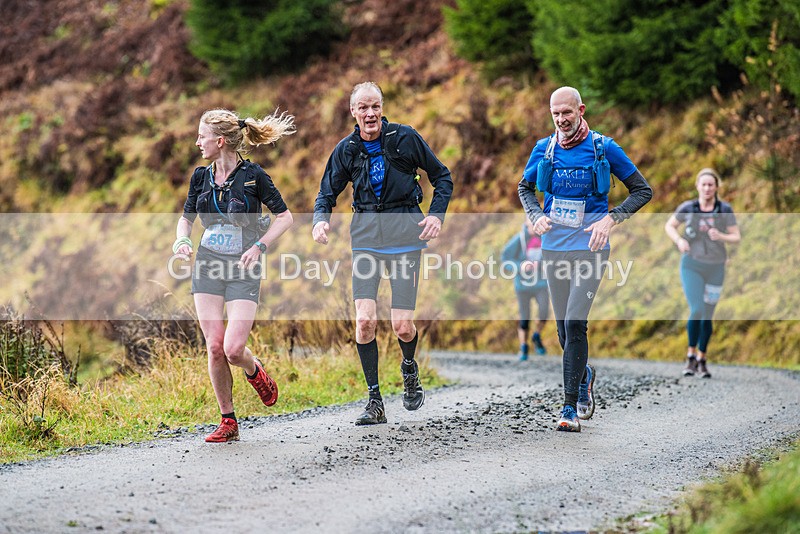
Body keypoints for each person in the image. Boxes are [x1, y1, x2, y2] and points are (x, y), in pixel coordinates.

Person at [312, 81, 453, 425]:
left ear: (382, 108)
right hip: (366, 240)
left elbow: (442, 177)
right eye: (363, 107)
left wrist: (436, 216)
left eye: (375, 106)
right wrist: (320, 221)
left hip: (405, 238)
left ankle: (409, 367)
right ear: (353, 112)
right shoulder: (346, 149)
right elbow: (326, 193)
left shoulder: (405, 138)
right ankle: (374, 400)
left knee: (402, 326)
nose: (370, 113)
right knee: (364, 322)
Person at [518, 86, 653, 432]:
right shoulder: (544, 149)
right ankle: (584, 375)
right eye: (555, 114)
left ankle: (569, 409)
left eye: (567, 112)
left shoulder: (603, 147)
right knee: (563, 329)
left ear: (581, 110)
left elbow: (642, 190)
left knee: (576, 322)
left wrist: (610, 220)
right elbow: (524, 188)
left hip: (591, 248)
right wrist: (535, 216)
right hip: (554, 248)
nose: (561, 120)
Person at [173, 108, 295, 442]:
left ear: (220, 141)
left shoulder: (254, 176)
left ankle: (256, 371)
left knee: (233, 349)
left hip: (244, 268)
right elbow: (186, 218)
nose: (197, 142)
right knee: (214, 347)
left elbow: (285, 218)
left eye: (202, 136)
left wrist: (259, 246)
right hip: (208, 266)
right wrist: (182, 241)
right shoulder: (200, 177)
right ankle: (228, 421)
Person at [664, 168, 740, 378]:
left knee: (708, 315)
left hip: (716, 267)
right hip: (692, 265)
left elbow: (736, 236)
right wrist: (679, 240)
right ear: (697, 186)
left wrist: (721, 236)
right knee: (697, 309)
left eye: (710, 185)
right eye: (703, 184)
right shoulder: (688, 208)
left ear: (716, 187)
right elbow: (670, 226)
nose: (707, 188)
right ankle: (690, 356)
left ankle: (702, 359)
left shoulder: (724, 209)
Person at [501, 217, 550, 360]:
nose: (534, 225)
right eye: (531, 222)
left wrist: (542, 264)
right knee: (525, 316)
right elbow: (505, 259)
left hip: (541, 283)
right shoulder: (519, 239)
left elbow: (553, 257)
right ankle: (523, 347)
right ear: (526, 223)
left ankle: (536, 336)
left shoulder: (545, 237)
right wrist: (520, 266)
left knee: (544, 312)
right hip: (522, 285)